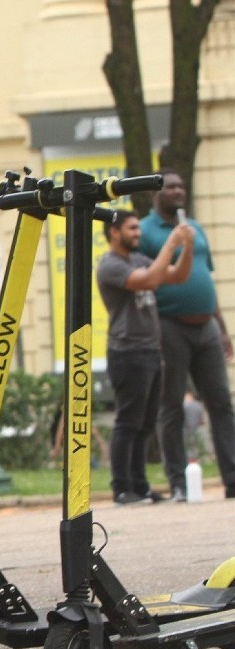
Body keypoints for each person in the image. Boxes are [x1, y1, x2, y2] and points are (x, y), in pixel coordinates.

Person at [138, 170, 235, 500]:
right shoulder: (147, 230)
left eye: (181, 186)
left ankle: (233, 479)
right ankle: (179, 482)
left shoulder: (195, 227)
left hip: (206, 325)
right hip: (169, 325)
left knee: (221, 401)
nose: (178, 190)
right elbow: (148, 278)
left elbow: (205, 278)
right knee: (172, 406)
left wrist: (222, 329)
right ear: (158, 193)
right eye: (171, 186)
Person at [97, 209, 193, 504]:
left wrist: (187, 246)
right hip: (127, 352)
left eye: (138, 228)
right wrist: (172, 241)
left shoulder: (138, 259)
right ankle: (121, 488)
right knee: (128, 421)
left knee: (146, 422)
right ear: (115, 232)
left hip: (151, 351)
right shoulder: (110, 265)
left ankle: (140, 486)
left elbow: (177, 275)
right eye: (133, 228)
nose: (138, 233)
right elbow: (149, 280)